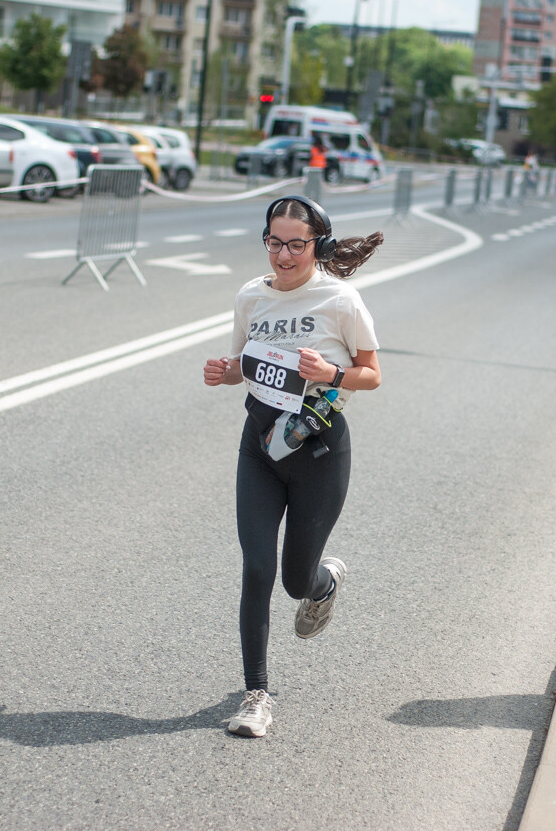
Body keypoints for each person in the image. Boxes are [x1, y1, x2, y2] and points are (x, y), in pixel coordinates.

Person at [203, 195, 383, 736]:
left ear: (317, 245)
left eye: (296, 245)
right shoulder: (250, 297)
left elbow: (372, 374)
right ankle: (255, 696)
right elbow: (244, 365)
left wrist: (330, 373)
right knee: (257, 568)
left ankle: (322, 583)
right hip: (260, 445)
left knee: (293, 579)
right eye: (274, 242)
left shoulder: (340, 300)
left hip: (319, 450)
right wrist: (224, 372)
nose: (283, 255)